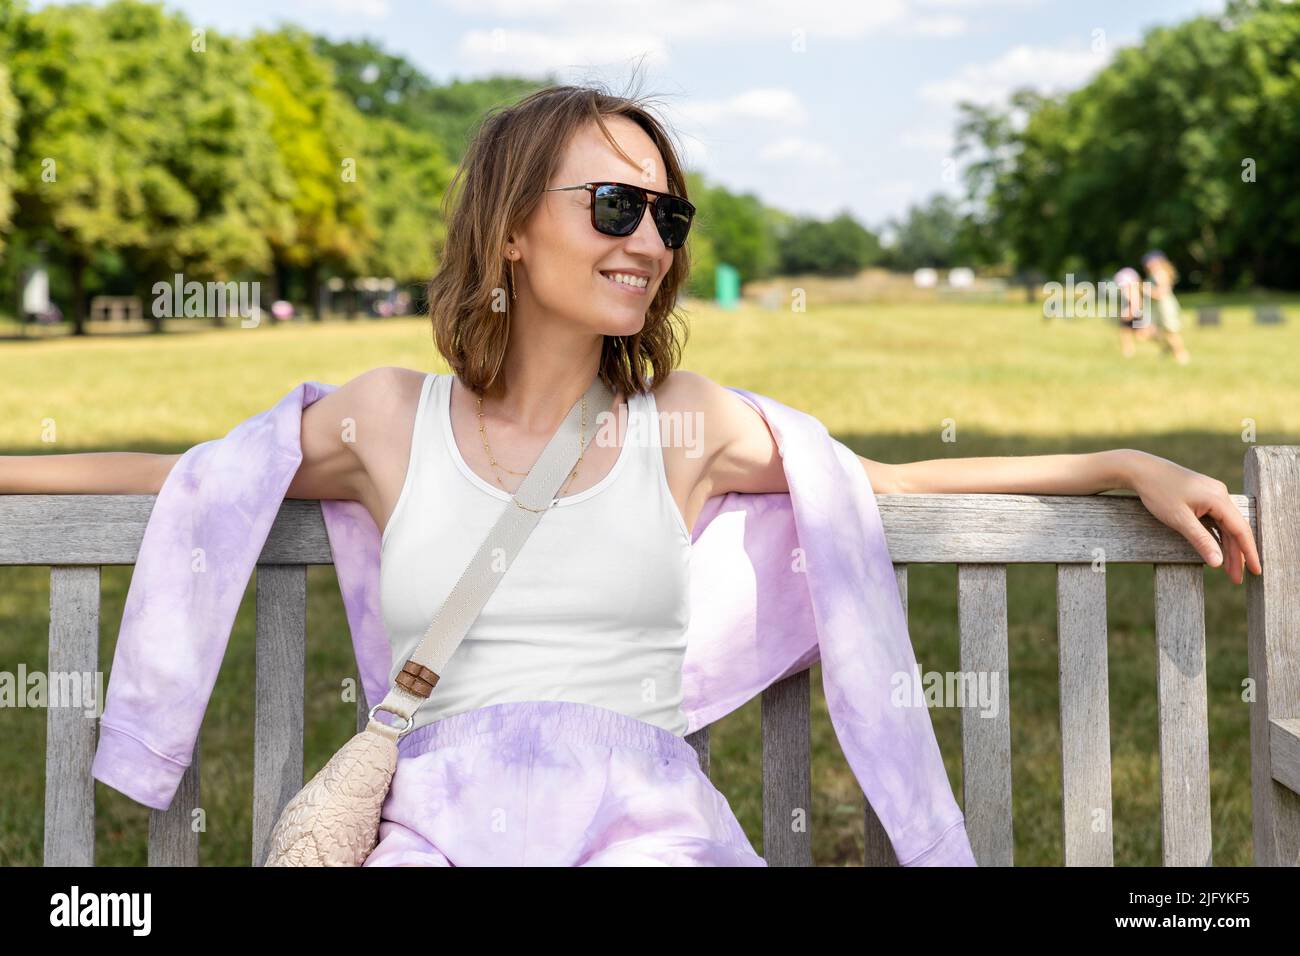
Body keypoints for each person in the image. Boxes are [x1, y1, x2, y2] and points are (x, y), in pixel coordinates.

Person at [0, 83, 1260, 866]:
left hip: (644, 825)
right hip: (437, 825)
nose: (649, 239)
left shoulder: (690, 423)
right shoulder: (388, 419)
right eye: (613, 205)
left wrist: (1120, 459)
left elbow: (880, 487)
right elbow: (195, 477)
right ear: (508, 225)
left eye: (668, 216)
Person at [1141, 250, 1191, 364]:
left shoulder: (1160, 274)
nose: (1149, 264)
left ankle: (1182, 355)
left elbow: (1161, 294)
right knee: (1152, 332)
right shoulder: (1153, 275)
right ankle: (1168, 348)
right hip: (1157, 308)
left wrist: (1146, 290)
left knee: (1170, 332)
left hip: (1165, 307)